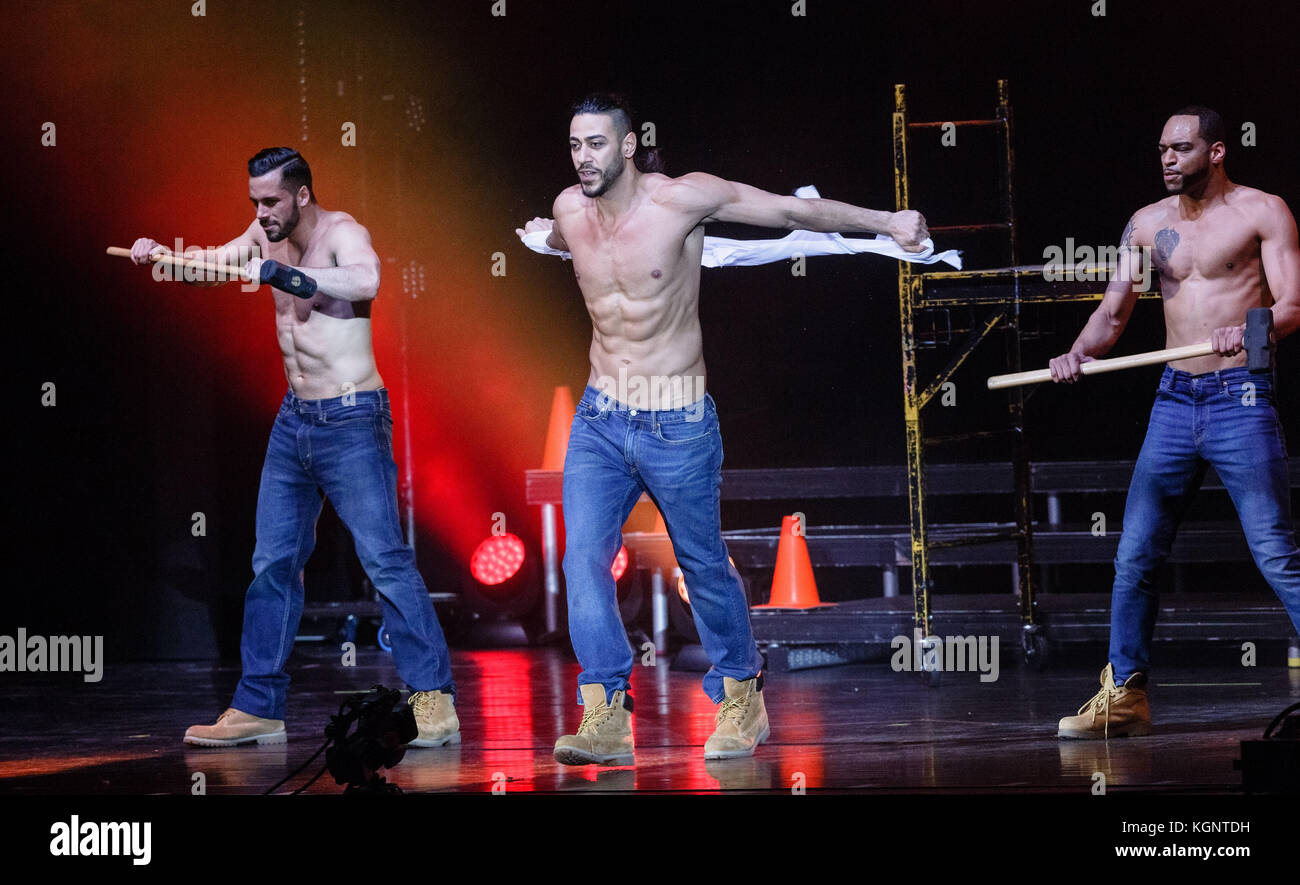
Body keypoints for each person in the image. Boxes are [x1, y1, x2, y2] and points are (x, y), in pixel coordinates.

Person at [517, 93, 928, 763]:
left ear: (626, 146)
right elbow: (563, 239)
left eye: (596, 143)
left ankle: (742, 695)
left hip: (676, 419)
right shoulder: (569, 209)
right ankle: (605, 713)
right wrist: (543, 235)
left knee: (703, 562)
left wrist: (887, 220)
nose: (583, 157)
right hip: (600, 418)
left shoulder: (683, 199)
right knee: (581, 559)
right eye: (574, 145)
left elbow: (792, 210)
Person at [131, 147, 459, 748]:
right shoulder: (264, 231)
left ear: (301, 194)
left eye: (271, 201)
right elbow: (217, 264)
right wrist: (164, 259)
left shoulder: (341, 232)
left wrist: (284, 274)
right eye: (254, 202)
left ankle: (433, 702)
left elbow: (366, 279)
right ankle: (259, 707)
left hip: (353, 417)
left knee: (385, 559)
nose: (261, 213)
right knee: (273, 564)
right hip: (295, 420)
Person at [1050, 107, 1300, 739]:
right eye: (1161, 148)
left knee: (1273, 551)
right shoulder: (1146, 224)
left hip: (1239, 395)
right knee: (1134, 554)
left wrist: (1250, 327)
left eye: (1181, 148)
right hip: (1173, 401)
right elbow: (1114, 313)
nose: (1167, 159)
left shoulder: (1262, 212)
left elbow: (1292, 306)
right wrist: (1077, 355)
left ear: (1216, 152)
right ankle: (1125, 693)